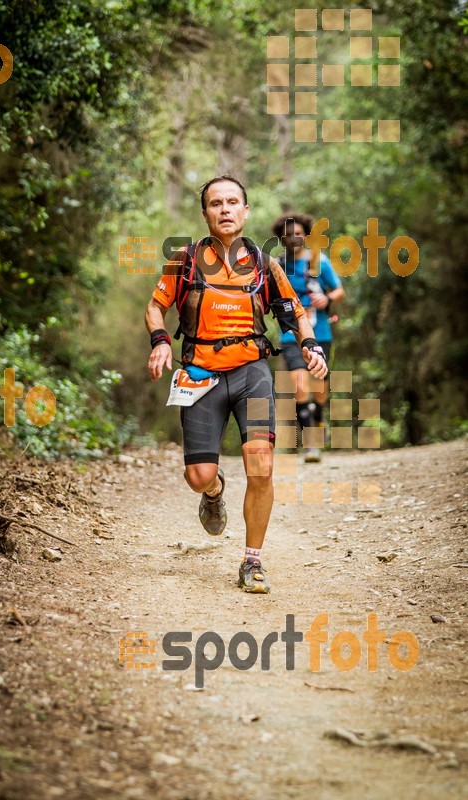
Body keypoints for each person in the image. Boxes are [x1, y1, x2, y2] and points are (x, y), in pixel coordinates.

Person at [145, 177, 328, 594]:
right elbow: (155, 307)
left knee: (261, 463)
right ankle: (213, 492)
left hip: (252, 373)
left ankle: (253, 561)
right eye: (215, 203)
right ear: (205, 213)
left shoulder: (266, 265)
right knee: (198, 474)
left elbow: (296, 314)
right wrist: (159, 342)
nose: (225, 209)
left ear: (245, 211)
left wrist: (311, 345)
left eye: (233, 202)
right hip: (199, 374)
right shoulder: (186, 260)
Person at [272, 213, 345, 463]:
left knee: (319, 387)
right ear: (282, 238)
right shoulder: (278, 265)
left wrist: (327, 298)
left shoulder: (318, 262)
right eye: (289, 234)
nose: (294, 238)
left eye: (299, 233)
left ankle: (319, 413)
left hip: (321, 331)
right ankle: (311, 445)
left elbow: (338, 290)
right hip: (290, 334)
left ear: (306, 235)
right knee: (300, 385)